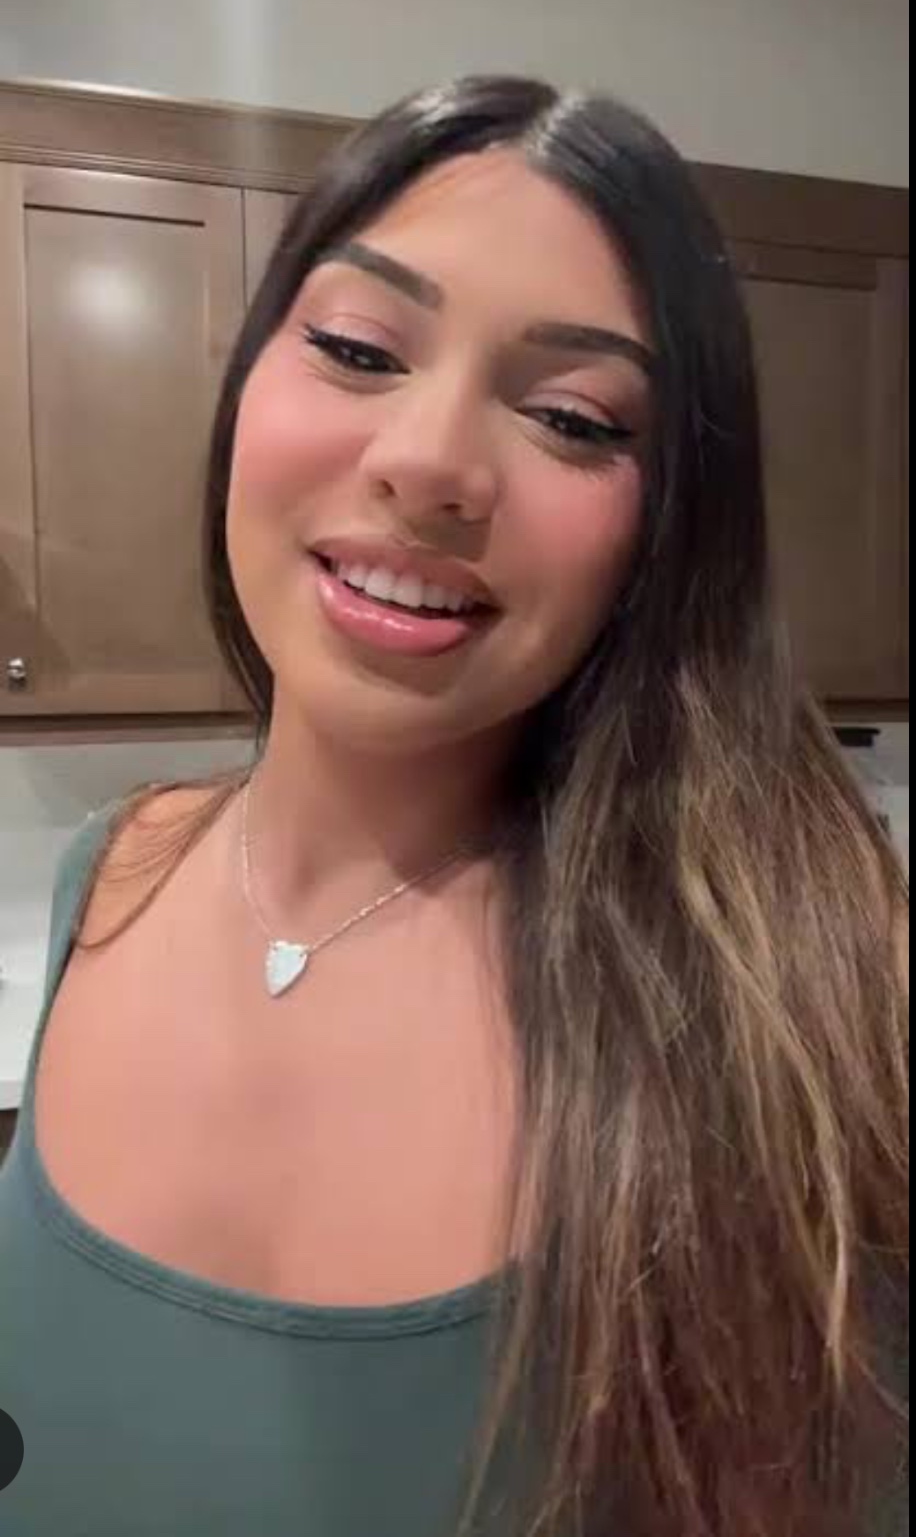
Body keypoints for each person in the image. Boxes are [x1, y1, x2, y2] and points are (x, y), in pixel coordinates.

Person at [0, 76, 908, 1537]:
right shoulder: (110, 876)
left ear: (668, 526)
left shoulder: (801, 1006)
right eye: (359, 348)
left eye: (570, 417)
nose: (429, 465)